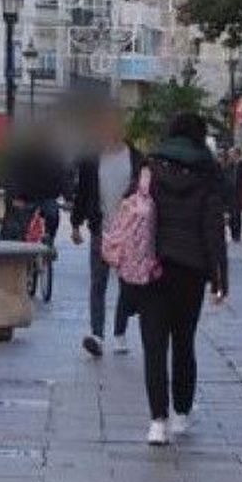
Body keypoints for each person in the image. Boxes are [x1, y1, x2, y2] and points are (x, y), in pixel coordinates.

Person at [137, 113, 228, 446]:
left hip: (152, 265)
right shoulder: (208, 172)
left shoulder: (151, 167)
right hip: (191, 268)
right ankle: (182, 414)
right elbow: (213, 228)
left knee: (153, 344)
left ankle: (157, 421)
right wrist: (220, 278)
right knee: (184, 341)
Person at [71, 107, 142, 358]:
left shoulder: (136, 158)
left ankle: (120, 331)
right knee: (98, 283)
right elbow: (84, 192)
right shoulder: (92, 159)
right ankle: (97, 335)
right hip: (101, 228)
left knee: (127, 284)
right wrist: (76, 224)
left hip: (129, 232)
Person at [0, 128, 68, 243]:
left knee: (52, 215)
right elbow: (12, 176)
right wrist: (16, 196)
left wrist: (67, 196)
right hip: (25, 197)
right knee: (20, 222)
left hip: (45, 197)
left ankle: (48, 240)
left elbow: (62, 176)